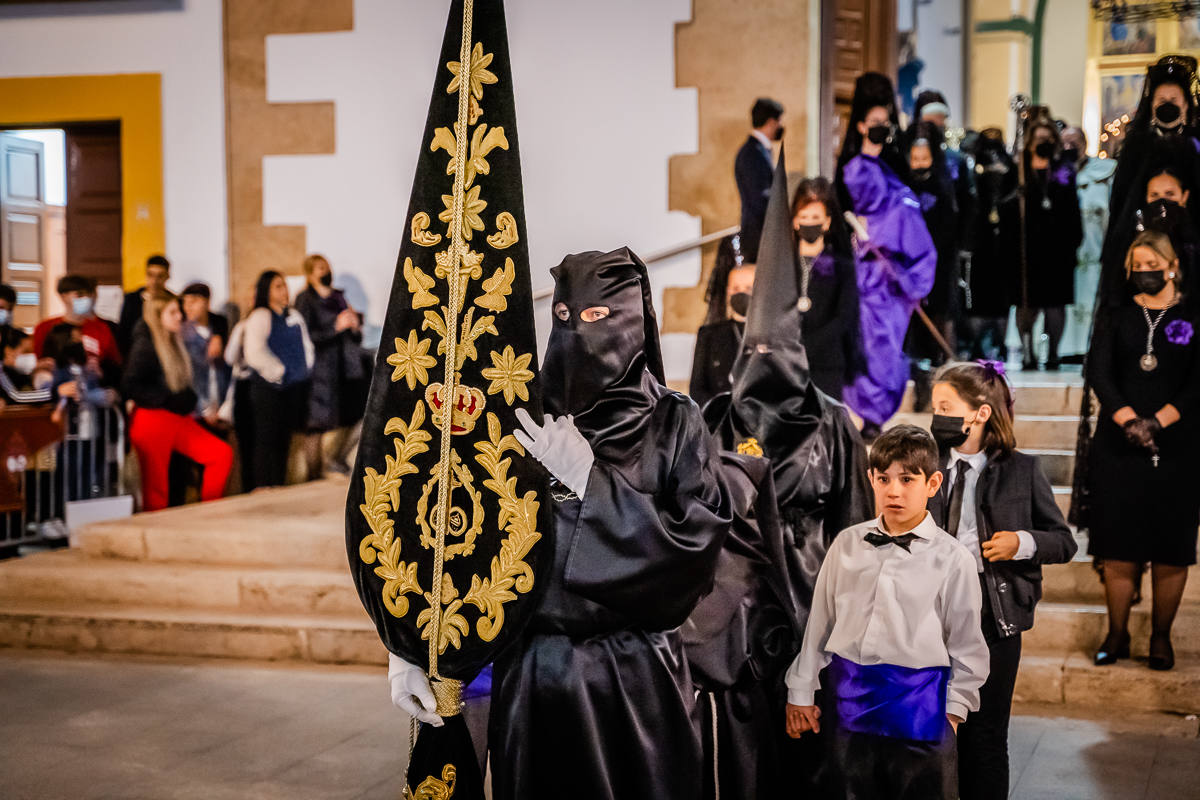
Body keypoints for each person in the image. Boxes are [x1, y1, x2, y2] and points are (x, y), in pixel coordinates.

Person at [485, 247, 732, 800]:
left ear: (632, 319)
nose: (579, 334)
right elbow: (470, 532)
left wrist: (591, 483)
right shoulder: (527, 418)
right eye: (566, 318)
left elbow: (694, 551)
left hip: (635, 674)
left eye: (598, 318)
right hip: (536, 671)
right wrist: (412, 646)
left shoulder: (674, 421)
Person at [691, 147, 873, 800]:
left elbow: (856, 525)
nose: (765, 360)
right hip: (737, 601)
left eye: (778, 349)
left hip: (813, 593)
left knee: (813, 753)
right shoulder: (714, 417)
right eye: (755, 349)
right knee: (743, 753)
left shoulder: (832, 423)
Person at [785, 424, 990, 800]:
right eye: (884, 478)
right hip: (849, 702)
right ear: (871, 480)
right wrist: (801, 691)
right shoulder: (846, 545)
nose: (894, 490)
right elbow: (820, 625)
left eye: (908, 479)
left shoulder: (953, 559)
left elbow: (966, 642)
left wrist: (954, 710)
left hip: (921, 708)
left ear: (933, 483)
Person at [927, 361, 1077, 800]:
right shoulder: (923, 461)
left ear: (980, 413)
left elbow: (1063, 542)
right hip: (927, 614)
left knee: (986, 736)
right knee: (929, 732)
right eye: (935, 407)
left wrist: (1022, 542)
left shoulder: (1021, 470)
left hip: (994, 617)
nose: (938, 415)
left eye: (946, 406)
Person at [1079, 232, 1199, 672]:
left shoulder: (1192, 314)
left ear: (1171, 266)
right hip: (1118, 442)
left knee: (1171, 545)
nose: (1142, 272)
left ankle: (1162, 638)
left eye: (1151, 263)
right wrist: (1130, 421)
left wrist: (1158, 421)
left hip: (1179, 445)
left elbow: (1196, 383)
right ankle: (1117, 632)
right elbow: (1099, 371)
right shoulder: (1117, 313)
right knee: (1118, 542)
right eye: (1136, 264)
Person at [836, 72, 937, 436]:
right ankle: (867, 416)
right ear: (862, 125)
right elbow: (856, 206)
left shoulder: (895, 164)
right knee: (873, 346)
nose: (881, 127)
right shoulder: (855, 167)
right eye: (874, 122)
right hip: (872, 277)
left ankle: (879, 415)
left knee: (891, 350)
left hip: (897, 276)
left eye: (885, 122)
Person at [122, 296, 233, 512]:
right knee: (156, 489)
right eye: (172, 312)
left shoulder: (173, 342)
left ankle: (211, 512)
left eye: (178, 311)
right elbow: (130, 384)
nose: (180, 316)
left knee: (220, 454)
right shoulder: (146, 345)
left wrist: (186, 398)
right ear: (157, 316)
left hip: (172, 416)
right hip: (153, 419)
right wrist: (167, 399)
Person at [1015, 116, 1083, 371]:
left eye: (1047, 139)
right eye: (1038, 139)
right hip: (1027, 248)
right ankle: (1027, 351)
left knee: (1055, 304)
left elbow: (1072, 209)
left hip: (1058, 247)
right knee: (1027, 303)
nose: (1043, 143)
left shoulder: (1063, 169)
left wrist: (1074, 242)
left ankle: (1053, 353)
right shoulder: (1020, 169)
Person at [237, 270, 313, 490]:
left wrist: (302, 370)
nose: (284, 291)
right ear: (266, 290)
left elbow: (306, 347)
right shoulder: (260, 316)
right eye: (278, 286)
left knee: (283, 440)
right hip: (267, 388)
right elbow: (254, 352)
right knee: (266, 439)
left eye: (284, 286)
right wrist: (279, 372)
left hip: (291, 387)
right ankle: (264, 487)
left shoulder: (293, 316)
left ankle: (278, 485)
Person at [293, 254, 366, 479]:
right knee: (315, 426)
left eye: (327, 267)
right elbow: (305, 337)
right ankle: (312, 477)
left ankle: (337, 457)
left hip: (347, 368)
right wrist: (335, 327)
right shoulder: (306, 300)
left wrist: (353, 326)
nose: (326, 272)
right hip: (321, 372)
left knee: (361, 416)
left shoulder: (339, 298)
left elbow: (354, 337)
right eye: (320, 268)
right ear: (310, 274)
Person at [791, 176, 860, 400]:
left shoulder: (842, 266)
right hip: (787, 359)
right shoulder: (783, 264)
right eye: (804, 217)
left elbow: (845, 315)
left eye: (815, 217)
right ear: (794, 221)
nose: (810, 223)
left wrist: (811, 344)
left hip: (827, 361)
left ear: (827, 222)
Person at [1110, 56, 1200, 225]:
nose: (1167, 104)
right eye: (1161, 100)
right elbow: (1122, 198)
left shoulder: (1195, 141)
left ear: (1186, 104)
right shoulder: (1137, 143)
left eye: (1174, 100)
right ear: (1151, 105)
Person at [906, 120, 962, 386]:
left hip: (938, 259)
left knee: (938, 309)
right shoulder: (904, 186)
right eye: (915, 158)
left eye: (924, 158)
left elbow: (950, 224)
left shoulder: (942, 185)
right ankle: (916, 357)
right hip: (909, 259)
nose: (919, 163)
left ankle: (939, 356)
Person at [962, 129, 1019, 360]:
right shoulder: (971, 168)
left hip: (1004, 239)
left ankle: (1000, 341)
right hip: (979, 239)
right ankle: (977, 341)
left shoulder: (1010, 168)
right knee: (978, 294)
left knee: (1001, 295)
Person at [1062, 127, 1116, 360]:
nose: (1070, 147)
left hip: (1095, 251)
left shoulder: (1105, 172)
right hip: (1067, 254)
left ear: (1085, 143)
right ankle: (1064, 349)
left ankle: (1089, 349)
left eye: (1075, 142)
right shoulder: (1058, 173)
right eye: (1065, 142)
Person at [689, 234, 755, 408]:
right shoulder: (709, 334)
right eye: (735, 288)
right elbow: (697, 389)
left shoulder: (774, 334)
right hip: (719, 422)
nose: (741, 293)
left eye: (748, 288)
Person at [32, 275, 121, 382]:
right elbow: (40, 364)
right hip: (58, 388)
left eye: (88, 295)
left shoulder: (102, 328)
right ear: (64, 296)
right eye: (79, 295)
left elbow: (115, 363)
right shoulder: (45, 328)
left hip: (95, 386)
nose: (85, 299)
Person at [736, 98, 784, 262]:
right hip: (757, 235)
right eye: (778, 122)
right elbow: (760, 198)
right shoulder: (752, 153)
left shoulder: (759, 150)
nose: (780, 126)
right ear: (771, 122)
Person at [179, 282, 231, 425]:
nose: (188, 307)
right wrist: (204, 408)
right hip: (197, 406)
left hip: (220, 397)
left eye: (194, 302)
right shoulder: (183, 333)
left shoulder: (219, 324)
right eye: (185, 302)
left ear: (207, 302)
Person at [117, 254, 173, 357]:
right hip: (136, 354)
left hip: (165, 356)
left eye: (160, 276)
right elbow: (124, 331)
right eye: (150, 275)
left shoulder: (172, 301)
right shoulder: (132, 299)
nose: (154, 281)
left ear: (167, 276)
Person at [0, 328, 52, 405]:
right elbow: (17, 396)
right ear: (8, 351)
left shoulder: (14, 372)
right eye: (25, 352)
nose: (30, 356)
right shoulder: (2, 371)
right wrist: (54, 393)